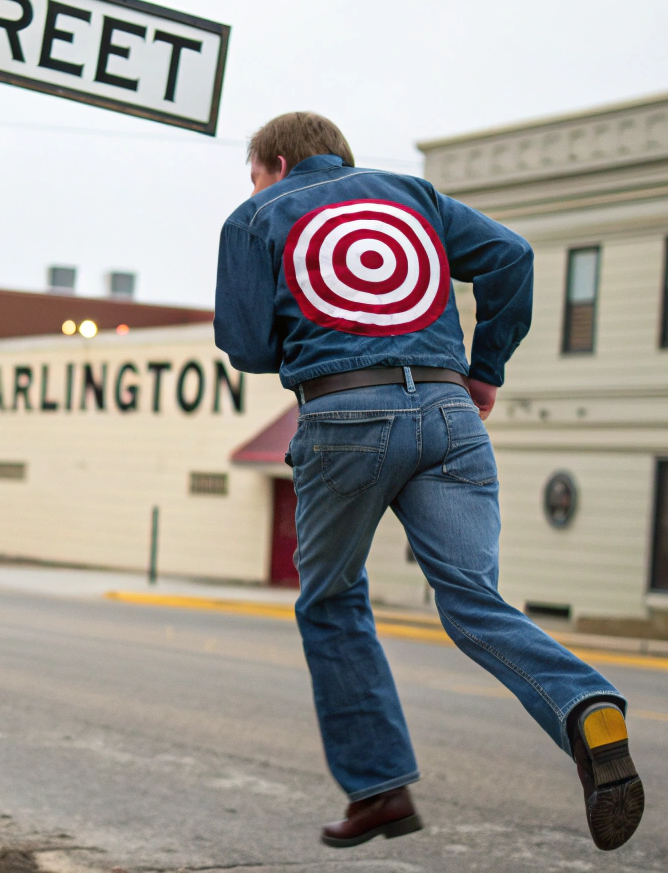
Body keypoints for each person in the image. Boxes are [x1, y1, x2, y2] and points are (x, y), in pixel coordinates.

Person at [213, 112, 643, 851]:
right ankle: (586, 707)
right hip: (450, 412)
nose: (252, 188)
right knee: (473, 600)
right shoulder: (415, 194)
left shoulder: (258, 216)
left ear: (277, 163)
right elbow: (512, 256)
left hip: (344, 412)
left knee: (331, 597)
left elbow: (246, 345)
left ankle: (379, 789)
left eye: (253, 174)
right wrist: (485, 370)